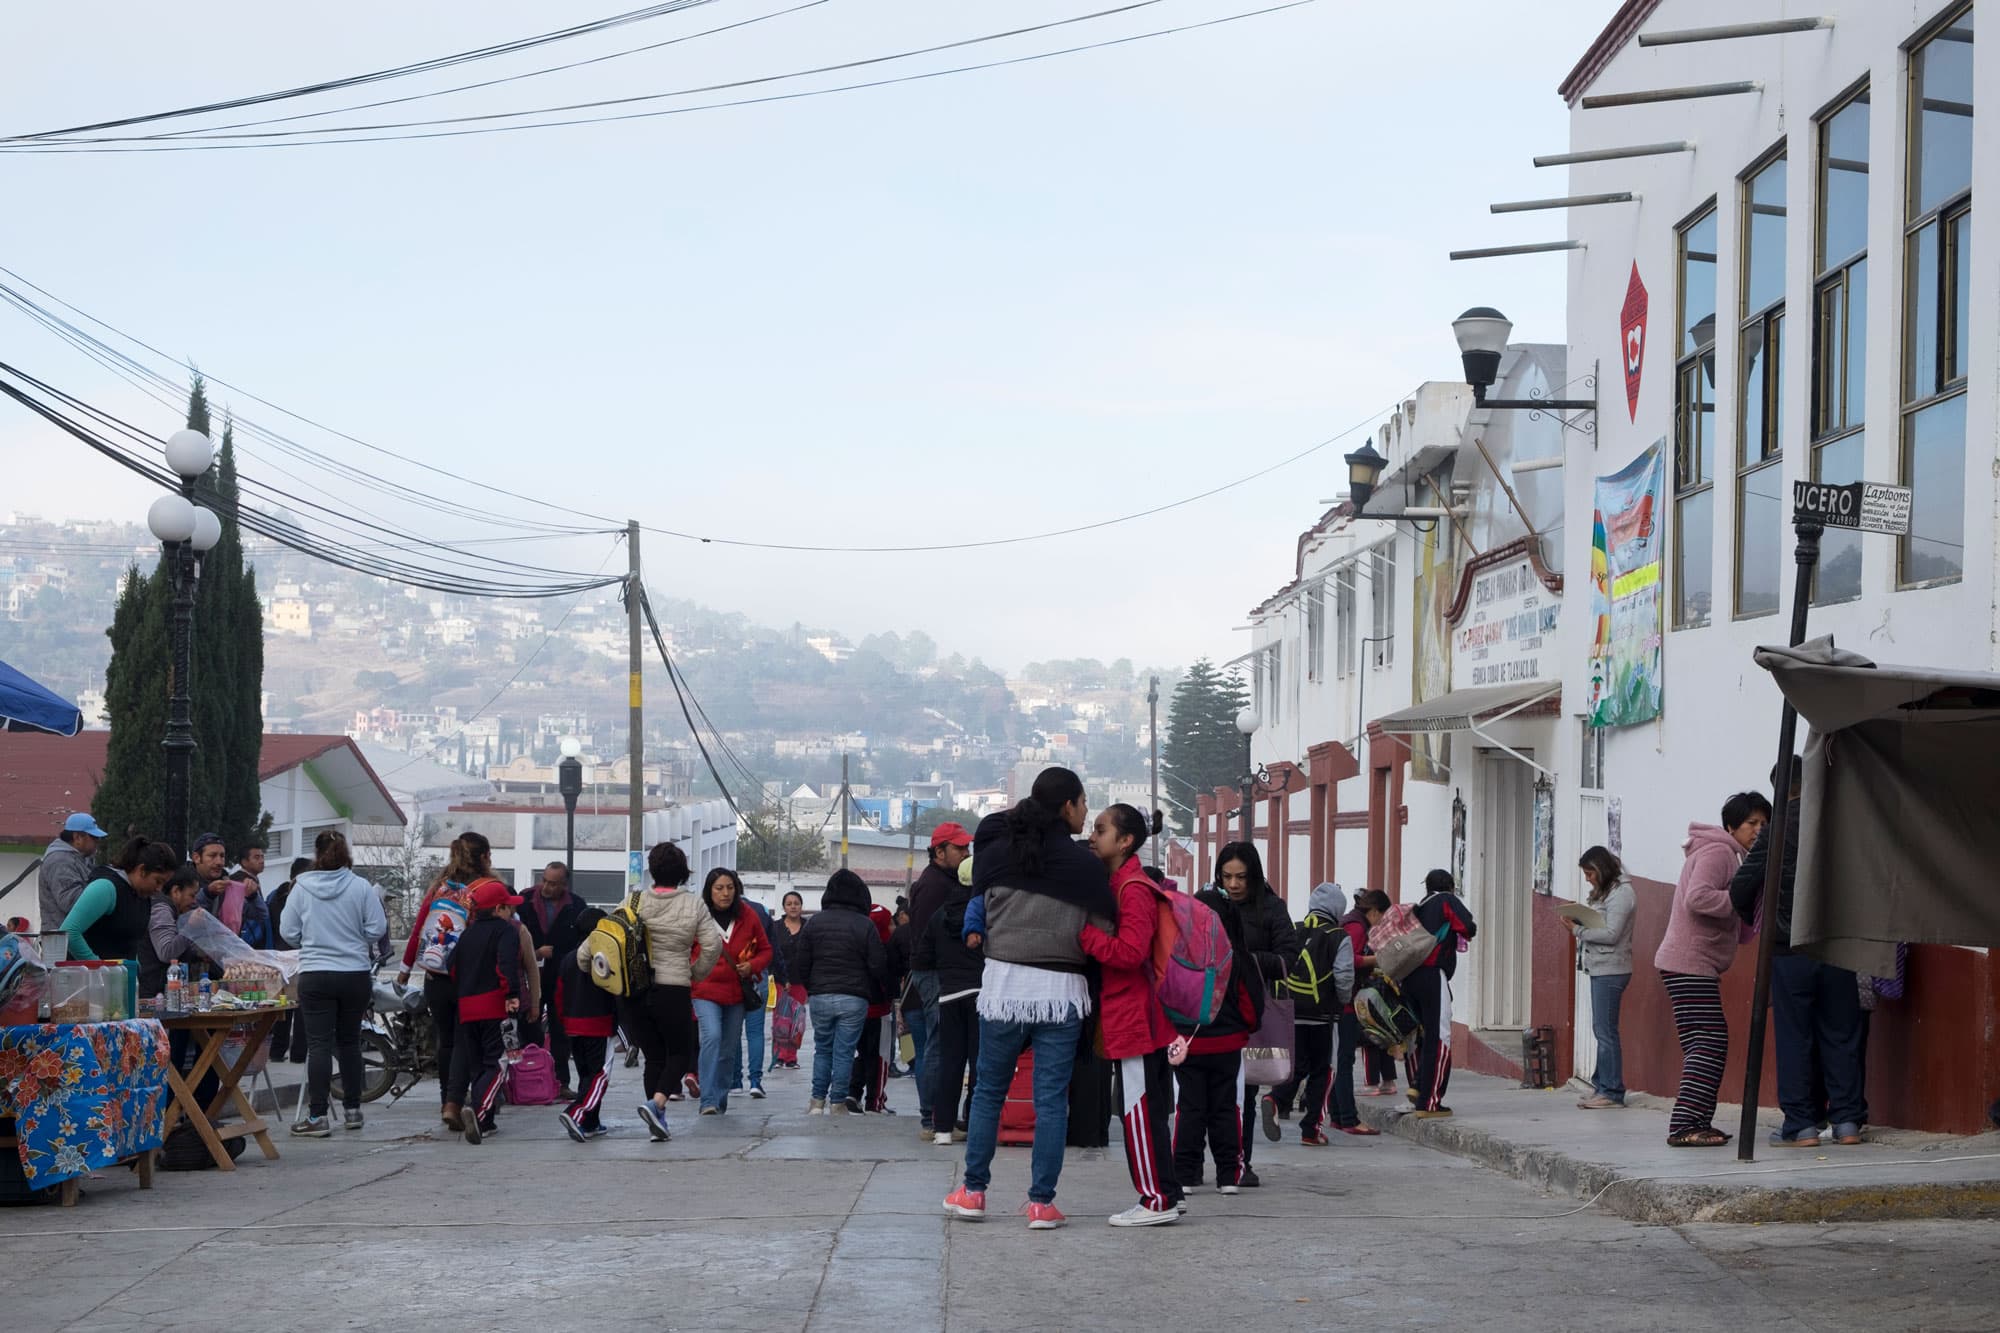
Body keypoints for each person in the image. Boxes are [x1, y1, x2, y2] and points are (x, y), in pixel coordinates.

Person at [945, 767, 1116, 1231]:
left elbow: (989, 838)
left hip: (1003, 988)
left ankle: (973, 1192)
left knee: (987, 1093)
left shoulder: (999, 853)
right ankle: (1041, 1202)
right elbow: (1102, 931)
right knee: (1051, 1099)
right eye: (1082, 803)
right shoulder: (1085, 868)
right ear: (1067, 807)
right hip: (1062, 993)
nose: (1086, 812)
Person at [1730, 757, 1867, 1147]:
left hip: (1789, 952)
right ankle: (1846, 1124)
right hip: (1837, 947)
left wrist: (1763, 919)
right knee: (1841, 1035)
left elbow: (1740, 888)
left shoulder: (1775, 832)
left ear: (1778, 789)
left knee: (1795, 1037)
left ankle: (1803, 1126)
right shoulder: (1841, 823)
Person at [1078, 804, 1182, 1226]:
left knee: (1137, 1108)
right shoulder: (1126, 883)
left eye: (1100, 830)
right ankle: (1168, 1191)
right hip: (1142, 1011)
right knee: (1150, 1108)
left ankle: (1155, 1199)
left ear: (1125, 841)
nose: (1092, 836)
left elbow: (1130, 952)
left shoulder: (1132, 888)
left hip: (1135, 1012)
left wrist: (1084, 935)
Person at [284, 831, 390, 1137]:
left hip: (316, 973)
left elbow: (289, 931)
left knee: (318, 1045)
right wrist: (353, 938)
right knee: (349, 1042)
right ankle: (353, 1111)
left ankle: (317, 1116)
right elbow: (377, 929)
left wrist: (312, 938)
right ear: (346, 853)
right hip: (354, 974)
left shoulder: (301, 888)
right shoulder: (361, 887)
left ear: (317, 854)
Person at [623, 840, 725, 1142]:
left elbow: (606, 937)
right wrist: (694, 973)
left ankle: (658, 1120)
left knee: (653, 1056)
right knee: (679, 1054)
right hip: (673, 988)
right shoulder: (693, 903)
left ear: (652, 870)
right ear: (682, 871)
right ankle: (656, 1105)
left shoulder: (633, 901)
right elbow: (713, 945)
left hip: (636, 991)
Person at [1211, 841, 1296, 1187]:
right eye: (1227, 877)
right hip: (1210, 1014)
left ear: (1254, 876)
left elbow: (1289, 958)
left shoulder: (1272, 908)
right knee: (1206, 1095)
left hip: (1249, 1015)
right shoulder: (1210, 906)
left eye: (1241, 877)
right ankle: (1196, 1164)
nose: (1233, 885)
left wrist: (1244, 961)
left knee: (1242, 1093)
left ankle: (1239, 1163)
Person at [1173, 891, 1265, 1196]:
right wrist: (1244, 1029)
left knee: (1190, 1109)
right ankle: (1228, 1175)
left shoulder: (1182, 953)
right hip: (1227, 1045)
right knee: (1226, 1109)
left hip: (1189, 1043)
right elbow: (1251, 1004)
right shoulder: (1236, 956)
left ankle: (1184, 1174)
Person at [396, 833, 490, 1128]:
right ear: (485, 857)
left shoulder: (439, 889)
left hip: (435, 977)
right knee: (465, 1040)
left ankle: (445, 1103)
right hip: (469, 978)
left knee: (445, 1040)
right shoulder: (485, 891)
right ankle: (455, 1101)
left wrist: (404, 968)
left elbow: (418, 930)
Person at [1265, 882, 1355, 1147]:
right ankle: (1311, 1129)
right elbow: (1344, 976)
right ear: (1338, 908)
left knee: (1298, 1064)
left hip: (1289, 1010)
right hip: (1322, 1014)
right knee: (1324, 1070)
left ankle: (1277, 1098)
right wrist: (1342, 1002)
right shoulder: (1339, 936)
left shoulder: (1294, 929)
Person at [796, 869, 889, 1115]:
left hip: (820, 996)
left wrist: (812, 987)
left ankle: (817, 1101)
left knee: (823, 1047)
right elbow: (878, 964)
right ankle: (838, 1102)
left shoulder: (814, 922)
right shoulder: (866, 924)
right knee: (845, 1050)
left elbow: (801, 962)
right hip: (855, 998)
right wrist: (885, 992)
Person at [448, 879, 527, 1145]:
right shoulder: (505, 931)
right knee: (499, 1062)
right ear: (497, 909)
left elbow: (452, 967)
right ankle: (479, 1110)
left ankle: (488, 1119)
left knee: (478, 1064)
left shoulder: (466, 933)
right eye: (507, 907)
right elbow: (505, 965)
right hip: (495, 1004)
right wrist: (512, 995)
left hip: (467, 1007)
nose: (510, 912)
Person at [906, 821, 973, 1135]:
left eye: (966, 846)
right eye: (959, 847)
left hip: (933, 971)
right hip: (933, 973)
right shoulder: (936, 886)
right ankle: (932, 1118)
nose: (965, 852)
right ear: (939, 851)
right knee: (938, 1044)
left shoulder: (942, 880)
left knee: (938, 1044)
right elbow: (932, 936)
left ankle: (933, 1117)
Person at [913, 848, 983, 1147]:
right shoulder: (987, 912)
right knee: (980, 1063)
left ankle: (941, 1128)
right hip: (982, 994)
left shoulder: (940, 914)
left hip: (948, 995)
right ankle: (974, 1122)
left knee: (950, 1062)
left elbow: (924, 955)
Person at [691, 868, 771, 1116]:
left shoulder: (748, 915)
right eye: (719, 888)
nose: (725, 893)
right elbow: (684, 949)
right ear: (709, 891)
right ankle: (707, 1099)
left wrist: (753, 966)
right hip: (704, 989)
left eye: (729, 887)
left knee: (728, 1048)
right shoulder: (698, 915)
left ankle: (719, 1098)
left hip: (736, 992)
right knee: (712, 1037)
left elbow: (766, 950)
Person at [1404, 869, 1477, 1118]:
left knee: (1423, 1034)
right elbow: (1468, 926)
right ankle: (1430, 1101)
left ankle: (1417, 1085)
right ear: (1450, 886)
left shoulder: (1418, 906)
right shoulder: (1446, 900)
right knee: (1441, 1036)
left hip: (1409, 976)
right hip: (1432, 974)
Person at [1573, 846, 1637, 1110]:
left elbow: (1612, 934)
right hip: (1601, 967)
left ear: (1602, 870)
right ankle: (1602, 1085)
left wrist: (1578, 930)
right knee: (1602, 1030)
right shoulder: (1610, 892)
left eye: (1590, 873)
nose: (1587, 878)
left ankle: (1611, 1091)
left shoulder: (1622, 894)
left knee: (1605, 1031)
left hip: (1612, 969)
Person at [519, 861, 586, 1097]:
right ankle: (528, 1079)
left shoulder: (576, 905)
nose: (547, 887)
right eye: (544, 880)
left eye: (553, 883)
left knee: (560, 1031)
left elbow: (582, 943)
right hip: (529, 977)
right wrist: (535, 952)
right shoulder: (525, 901)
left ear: (564, 885)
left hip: (560, 977)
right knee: (529, 1028)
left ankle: (561, 1082)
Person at [60, 837, 177, 962]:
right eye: (158, 881)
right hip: (90, 978)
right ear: (142, 870)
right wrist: (98, 966)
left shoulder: (142, 896)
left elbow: (130, 943)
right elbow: (69, 931)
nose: (159, 888)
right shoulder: (105, 888)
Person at [1330, 889, 1390, 1136]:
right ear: (1374, 911)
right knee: (1344, 1062)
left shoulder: (1348, 921)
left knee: (1337, 1062)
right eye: (1382, 917)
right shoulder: (1356, 927)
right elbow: (1350, 960)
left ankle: (1336, 1115)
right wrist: (1376, 960)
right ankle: (1349, 1119)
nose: (1381, 924)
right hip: (1344, 1003)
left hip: (1337, 1002)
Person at [556, 907, 617, 1142]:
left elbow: (559, 995)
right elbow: (615, 992)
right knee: (599, 1075)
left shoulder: (568, 959)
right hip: (599, 1023)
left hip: (573, 1025)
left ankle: (591, 1122)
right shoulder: (605, 957)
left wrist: (563, 1022)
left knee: (585, 1076)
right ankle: (577, 1112)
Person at [848, 901, 901, 1113]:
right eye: (889, 924)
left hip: (857, 1008)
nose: (893, 928)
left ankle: (853, 1092)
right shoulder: (885, 950)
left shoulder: (855, 946)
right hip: (879, 1010)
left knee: (861, 1054)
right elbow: (887, 980)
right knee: (880, 1058)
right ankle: (875, 1100)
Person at [265, 857, 314, 1063]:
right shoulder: (304, 896)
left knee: (283, 1007)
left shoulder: (274, 895)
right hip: (298, 957)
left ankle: (277, 1051)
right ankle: (298, 1054)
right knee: (301, 1008)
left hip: (279, 957)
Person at [734, 892, 777, 1099]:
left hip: (731, 975)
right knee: (755, 1032)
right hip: (758, 974)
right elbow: (772, 946)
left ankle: (734, 1081)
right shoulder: (760, 910)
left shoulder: (719, 911)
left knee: (732, 1031)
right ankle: (755, 1081)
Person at [37, 812, 103, 932]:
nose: (97, 841)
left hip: (73, 938)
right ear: (77, 837)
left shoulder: (80, 858)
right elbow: (71, 902)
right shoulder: (60, 861)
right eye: (94, 837)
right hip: (62, 941)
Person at [771, 890, 809, 1069]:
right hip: (779, 980)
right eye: (789, 903)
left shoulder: (809, 926)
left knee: (797, 1020)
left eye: (796, 903)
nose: (793, 906)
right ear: (784, 907)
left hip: (801, 981)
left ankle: (791, 1057)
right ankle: (778, 1056)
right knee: (780, 1019)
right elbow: (770, 953)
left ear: (801, 906)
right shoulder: (776, 927)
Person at [191, 834, 243, 933]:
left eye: (222, 856)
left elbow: (261, 915)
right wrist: (207, 894)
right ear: (197, 858)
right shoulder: (183, 883)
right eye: (212, 856)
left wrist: (252, 897)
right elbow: (186, 918)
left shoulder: (228, 884)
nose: (219, 862)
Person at [231, 842, 273, 950]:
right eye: (256, 857)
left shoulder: (253, 878)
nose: (262, 861)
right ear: (244, 862)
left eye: (262, 857)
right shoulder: (240, 882)